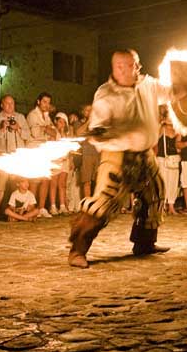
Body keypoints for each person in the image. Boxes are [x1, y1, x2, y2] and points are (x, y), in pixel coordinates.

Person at [68, 49, 172, 268]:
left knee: (155, 194)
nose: (124, 70)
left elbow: (171, 93)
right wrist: (99, 130)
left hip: (145, 154)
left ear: (138, 66)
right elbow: (100, 121)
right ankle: (77, 250)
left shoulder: (149, 85)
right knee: (102, 204)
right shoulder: (105, 94)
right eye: (119, 66)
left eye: (129, 65)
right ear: (113, 68)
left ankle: (144, 243)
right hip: (117, 155)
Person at [0, 95, 30, 218]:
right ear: (2, 104)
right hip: (2, 154)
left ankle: (17, 211)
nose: (10, 106)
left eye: (12, 103)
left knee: (19, 183)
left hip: (18, 154)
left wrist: (18, 128)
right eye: (7, 103)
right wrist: (1, 129)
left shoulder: (20, 117)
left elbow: (27, 135)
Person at [27, 92, 57, 217]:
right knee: (35, 180)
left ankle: (41, 207)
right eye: (44, 102)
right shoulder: (32, 115)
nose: (47, 105)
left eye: (48, 102)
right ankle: (33, 208)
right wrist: (46, 129)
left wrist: (45, 128)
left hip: (45, 150)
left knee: (45, 179)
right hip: (34, 150)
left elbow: (54, 133)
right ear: (38, 101)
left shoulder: (47, 117)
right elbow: (35, 133)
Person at [157, 117, 180, 215]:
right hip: (163, 158)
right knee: (163, 182)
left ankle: (171, 206)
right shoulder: (162, 129)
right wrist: (161, 124)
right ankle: (162, 206)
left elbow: (178, 146)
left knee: (173, 182)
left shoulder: (178, 129)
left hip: (174, 159)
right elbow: (155, 137)